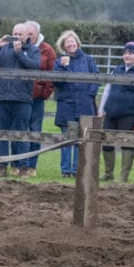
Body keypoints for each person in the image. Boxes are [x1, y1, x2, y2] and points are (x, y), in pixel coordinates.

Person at [0, 23, 40, 177]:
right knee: (2, 134)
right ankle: (2, 167)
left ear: (27, 36)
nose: (16, 37)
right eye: (14, 33)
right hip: (3, 96)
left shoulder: (33, 50)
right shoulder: (4, 48)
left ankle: (23, 166)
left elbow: (34, 66)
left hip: (23, 98)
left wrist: (20, 53)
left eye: (20, 34)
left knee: (21, 133)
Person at [98, 41, 134, 182]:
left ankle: (123, 176)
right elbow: (107, 89)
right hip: (111, 112)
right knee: (107, 141)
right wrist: (101, 109)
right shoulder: (117, 69)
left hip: (130, 113)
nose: (127, 56)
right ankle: (108, 173)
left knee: (127, 142)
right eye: (125, 53)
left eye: (131, 53)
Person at [52, 30, 99, 178]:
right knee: (68, 139)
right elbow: (56, 83)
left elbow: (96, 78)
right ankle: (66, 171)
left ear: (77, 43)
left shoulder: (88, 60)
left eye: (72, 41)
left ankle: (78, 170)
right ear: (63, 46)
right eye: (67, 43)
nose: (71, 44)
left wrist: (90, 94)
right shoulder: (59, 62)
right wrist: (62, 67)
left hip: (85, 105)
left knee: (82, 140)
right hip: (67, 106)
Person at [21, 20, 57, 174]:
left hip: (37, 98)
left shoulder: (47, 50)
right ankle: (19, 163)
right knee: (20, 130)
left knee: (35, 130)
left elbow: (52, 73)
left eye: (31, 34)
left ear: (37, 34)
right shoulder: (19, 47)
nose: (29, 37)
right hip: (20, 96)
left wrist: (45, 92)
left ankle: (32, 166)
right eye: (26, 34)